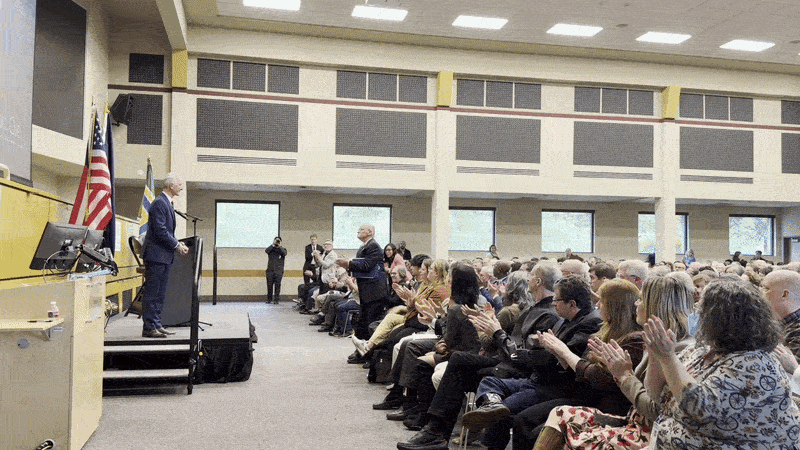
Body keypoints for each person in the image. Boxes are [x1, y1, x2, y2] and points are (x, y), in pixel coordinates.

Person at [643, 279, 800, 449]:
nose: (695, 313)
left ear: (721, 319)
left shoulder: (755, 363)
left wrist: (667, 358)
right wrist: (655, 355)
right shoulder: (702, 350)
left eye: (700, 308)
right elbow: (655, 394)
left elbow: (700, 407)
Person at [141, 174, 189, 338]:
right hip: (156, 256)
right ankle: (148, 327)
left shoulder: (166, 203)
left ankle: (156, 323)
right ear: (171, 186)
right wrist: (176, 245)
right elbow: (161, 230)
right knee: (152, 292)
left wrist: (177, 243)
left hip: (163, 256)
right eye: (180, 184)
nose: (181, 187)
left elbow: (166, 232)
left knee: (160, 293)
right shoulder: (159, 203)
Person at [336, 223, 387, 340]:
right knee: (362, 324)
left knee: (369, 324)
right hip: (366, 292)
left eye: (361, 229)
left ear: (370, 232)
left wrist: (348, 263)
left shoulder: (373, 246)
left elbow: (367, 265)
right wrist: (349, 265)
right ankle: (361, 352)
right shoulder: (364, 246)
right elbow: (361, 264)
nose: (358, 231)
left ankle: (368, 352)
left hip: (374, 294)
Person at [265, 236, 287, 304]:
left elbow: (284, 253)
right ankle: (269, 299)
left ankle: (276, 299)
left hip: (279, 270)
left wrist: (279, 246)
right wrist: (273, 245)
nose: (277, 242)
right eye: (276, 241)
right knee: (269, 285)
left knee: (277, 285)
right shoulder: (271, 249)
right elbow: (266, 250)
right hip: (270, 270)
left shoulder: (283, 249)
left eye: (278, 241)